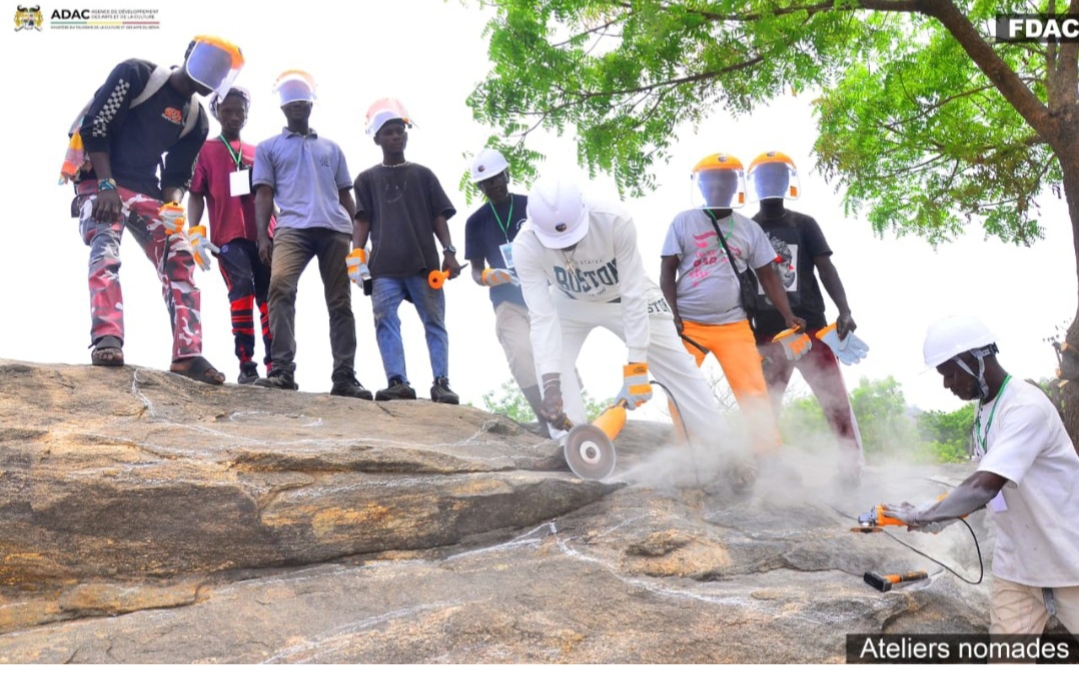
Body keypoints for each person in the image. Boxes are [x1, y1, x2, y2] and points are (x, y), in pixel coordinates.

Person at [513, 176, 751, 483]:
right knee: (552, 366)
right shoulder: (525, 246)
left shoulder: (615, 220)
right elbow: (542, 318)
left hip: (627, 296)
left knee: (681, 369)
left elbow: (633, 293)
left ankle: (728, 452)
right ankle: (570, 445)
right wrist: (551, 384)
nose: (568, 245)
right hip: (569, 303)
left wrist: (637, 364)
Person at [884, 316, 1079, 636]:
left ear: (976, 358)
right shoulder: (984, 411)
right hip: (1017, 572)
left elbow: (985, 485)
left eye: (949, 373)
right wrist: (940, 516)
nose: (947, 384)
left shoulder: (1025, 407)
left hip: (1069, 564)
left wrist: (926, 513)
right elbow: (991, 491)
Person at [68, 36, 244, 384]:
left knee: (178, 253)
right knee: (106, 241)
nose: (210, 74)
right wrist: (105, 186)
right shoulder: (136, 74)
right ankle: (108, 336)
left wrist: (173, 207)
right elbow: (95, 128)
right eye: (208, 61)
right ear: (190, 54)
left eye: (220, 71)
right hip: (99, 178)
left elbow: (177, 176)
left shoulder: (196, 120)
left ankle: (187, 354)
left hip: (145, 190)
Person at [659, 153, 803, 456]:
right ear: (701, 186)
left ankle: (767, 454)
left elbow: (769, 276)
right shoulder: (683, 221)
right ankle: (689, 452)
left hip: (733, 324)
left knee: (753, 391)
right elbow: (667, 270)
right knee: (680, 389)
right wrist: (672, 314)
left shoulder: (748, 229)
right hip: (689, 324)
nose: (718, 187)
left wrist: (788, 314)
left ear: (735, 186)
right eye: (711, 181)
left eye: (725, 181)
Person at [747, 151, 865, 483]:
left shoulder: (804, 224)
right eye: (765, 176)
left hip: (811, 327)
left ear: (788, 182)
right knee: (765, 404)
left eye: (777, 175)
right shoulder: (748, 229)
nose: (772, 182)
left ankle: (850, 467)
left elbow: (826, 267)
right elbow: (742, 281)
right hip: (768, 335)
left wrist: (845, 309)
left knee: (835, 400)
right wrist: (744, 330)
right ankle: (765, 466)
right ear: (754, 183)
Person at [251, 70, 369, 399]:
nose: (297, 107)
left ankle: (344, 375)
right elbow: (263, 193)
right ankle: (283, 370)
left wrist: (360, 244)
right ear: (282, 108)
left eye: (302, 101)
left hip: (335, 229)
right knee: (280, 288)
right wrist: (263, 236)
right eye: (290, 103)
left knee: (340, 302)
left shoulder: (331, 148)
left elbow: (346, 196)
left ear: (311, 105)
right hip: (292, 229)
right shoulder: (269, 148)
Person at [351, 98, 461, 404]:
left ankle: (441, 382)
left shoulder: (422, 175)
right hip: (384, 266)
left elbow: (439, 215)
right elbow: (362, 221)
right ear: (376, 139)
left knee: (434, 322)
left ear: (406, 134)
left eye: (400, 131)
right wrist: (356, 258)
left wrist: (449, 251)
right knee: (384, 318)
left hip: (423, 264)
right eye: (388, 132)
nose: (395, 136)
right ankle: (398, 381)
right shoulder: (366, 179)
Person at [188, 87, 276, 385]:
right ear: (217, 112)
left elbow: (271, 192)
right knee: (241, 287)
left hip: (264, 235)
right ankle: (246, 363)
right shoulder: (206, 150)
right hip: (227, 236)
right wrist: (196, 231)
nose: (235, 116)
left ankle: (276, 364)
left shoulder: (258, 151)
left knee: (269, 296)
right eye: (228, 110)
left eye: (240, 111)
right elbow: (196, 194)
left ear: (247, 113)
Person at [463, 148, 545, 422]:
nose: (492, 185)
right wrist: (487, 276)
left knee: (554, 355)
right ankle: (546, 419)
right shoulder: (475, 223)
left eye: (497, 178)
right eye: (485, 182)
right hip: (506, 300)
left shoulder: (532, 206)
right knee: (520, 353)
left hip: (543, 296)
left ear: (507, 174)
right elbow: (475, 270)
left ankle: (574, 415)